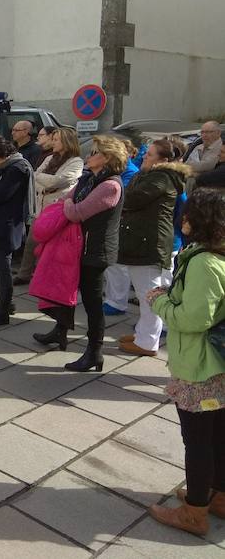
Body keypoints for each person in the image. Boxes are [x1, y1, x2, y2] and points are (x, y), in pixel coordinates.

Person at [144, 187, 225, 537]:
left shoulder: (206, 262)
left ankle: (195, 512)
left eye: (189, 212)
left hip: (200, 367)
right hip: (213, 364)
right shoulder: (210, 254)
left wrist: (159, 301)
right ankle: (217, 495)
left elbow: (193, 319)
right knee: (217, 434)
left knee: (198, 440)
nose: (184, 217)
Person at [42, 136, 127, 370]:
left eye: (94, 153)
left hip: (95, 251)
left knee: (92, 303)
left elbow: (75, 212)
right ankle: (60, 332)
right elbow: (67, 199)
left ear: (107, 158)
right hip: (78, 247)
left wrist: (68, 206)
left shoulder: (110, 186)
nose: (88, 156)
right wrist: (68, 204)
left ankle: (94, 352)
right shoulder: (89, 178)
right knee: (65, 290)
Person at [111, 140, 190, 356]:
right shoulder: (151, 175)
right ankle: (143, 335)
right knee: (149, 292)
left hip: (149, 243)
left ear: (163, 160)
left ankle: (147, 342)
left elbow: (131, 198)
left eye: (150, 155)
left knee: (150, 295)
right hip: (144, 241)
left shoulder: (162, 178)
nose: (144, 157)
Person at [16, 127, 84, 283]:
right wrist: (46, 184)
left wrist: (43, 180)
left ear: (66, 142)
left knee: (51, 248)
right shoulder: (49, 158)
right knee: (31, 244)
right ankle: (24, 275)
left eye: (56, 139)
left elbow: (58, 181)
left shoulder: (76, 162)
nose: (53, 142)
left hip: (56, 211)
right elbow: (34, 177)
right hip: (41, 209)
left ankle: (45, 277)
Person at [0, 136, 34, 326]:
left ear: (1, 155)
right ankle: (4, 303)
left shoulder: (17, 169)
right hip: (1, 222)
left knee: (4, 268)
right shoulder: (6, 168)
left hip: (8, 225)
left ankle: (3, 312)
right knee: (0, 265)